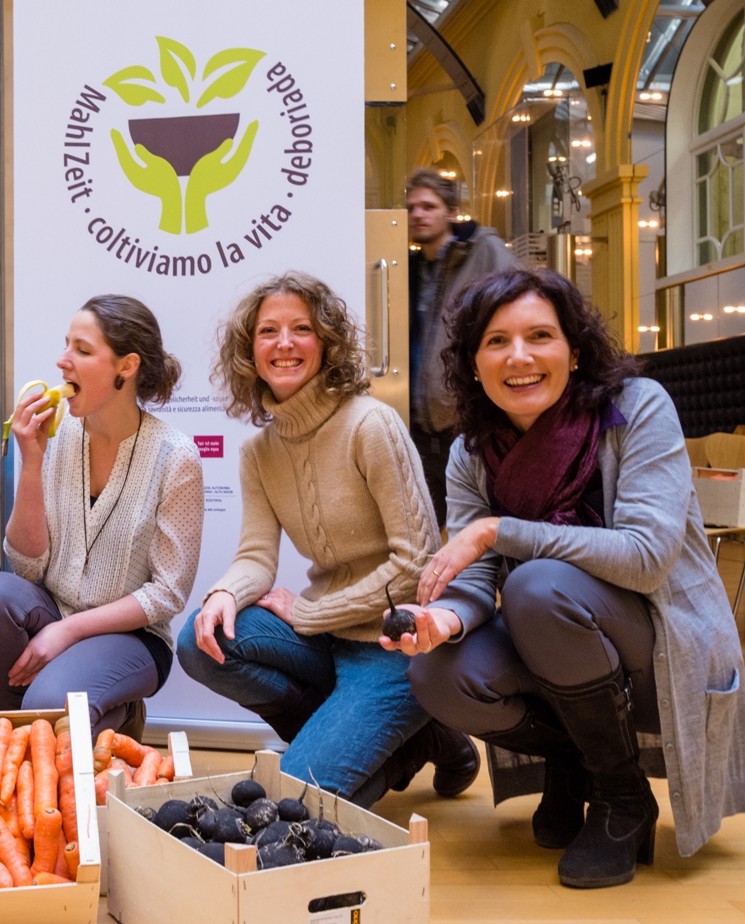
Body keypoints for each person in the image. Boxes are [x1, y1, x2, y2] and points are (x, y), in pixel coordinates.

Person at [394, 268, 745, 888]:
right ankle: (579, 757)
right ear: (474, 364)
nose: (519, 356)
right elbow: (475, 584)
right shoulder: (471, 449)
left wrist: (499, 530)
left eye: (539, 336)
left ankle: (621, 796)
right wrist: (441, 619)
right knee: (436, 672)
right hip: (564, 640)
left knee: (537, 586)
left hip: (661, 637)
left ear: (575, 350)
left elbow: (645, 557)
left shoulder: (636, 408)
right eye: (496, 341)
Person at [176, 272, 478, 809]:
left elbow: (416, 564)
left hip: (393, 646)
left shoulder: (371, 425)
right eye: (269, 330)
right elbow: (254, 556)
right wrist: (223, 594)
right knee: (202, 643)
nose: (284, 343)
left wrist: (310, 615)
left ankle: (408, 738)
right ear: (251, 350)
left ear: (327, 343)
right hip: (328, 638)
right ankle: (419, 736)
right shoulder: (259, 452)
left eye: (301, 329)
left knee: (296, 801)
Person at [0, 295, 203, 737]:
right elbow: (28, 565)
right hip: (52, 610)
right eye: (66, 345)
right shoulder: (63, 435)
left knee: (53, 704)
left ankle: (107, 715)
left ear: (125, 367)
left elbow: (168, 594)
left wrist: (69, 632)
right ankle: (36, 732)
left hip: (134, 638)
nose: (62, 361)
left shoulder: (175, 456)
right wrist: (31, 463)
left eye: (82, 350)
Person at [407, 167, 517, 526]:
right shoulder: (405, 268)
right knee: (421, 532)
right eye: (411, 208)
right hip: (418, 429)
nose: (418, 215)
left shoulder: (485, 251)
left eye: (428, 206)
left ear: (451, 212)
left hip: (467, 423)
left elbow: (517, 309)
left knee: (475, 531)